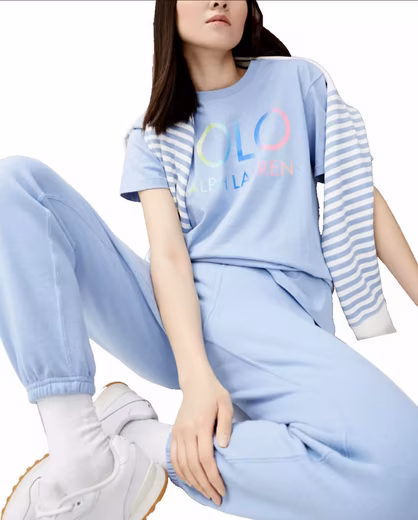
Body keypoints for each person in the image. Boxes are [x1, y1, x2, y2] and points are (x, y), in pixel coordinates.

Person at [1, 1, 418, 519]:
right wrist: (196, 377)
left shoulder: (296, 83)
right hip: (185, 310)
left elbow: (356, 194)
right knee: (16, 185)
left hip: (278, 319)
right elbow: (169, 256)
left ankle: (139, 443)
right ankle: (79, 449)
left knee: (402, 472)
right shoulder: (152, 135)